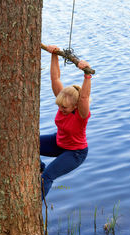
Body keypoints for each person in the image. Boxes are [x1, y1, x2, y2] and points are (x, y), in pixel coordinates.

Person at [40, 45, 92, 200]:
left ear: (75, 106)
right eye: (58, 106)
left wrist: (87, 74)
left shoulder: (81, 114)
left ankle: (33, 206)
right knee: (29, 143)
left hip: (75, 152)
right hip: (59, 142)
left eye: (64, 107)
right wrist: (54, 54)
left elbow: (84, 97)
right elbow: (55, 78)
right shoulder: (63, 101)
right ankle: (39, 168)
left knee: (47, 177)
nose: (60, 109)